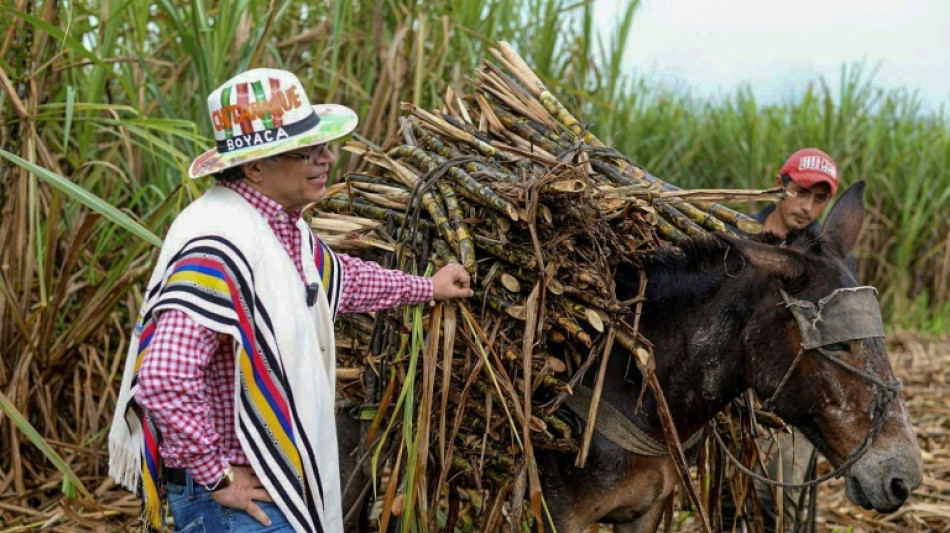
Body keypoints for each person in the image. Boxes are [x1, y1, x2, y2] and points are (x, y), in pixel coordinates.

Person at [108, 68, 474, 533]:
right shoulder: (219, 242)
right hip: (236, 506)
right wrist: (216, 475)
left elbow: (340, 280)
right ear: (256, 167)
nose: (326, 158)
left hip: (267, 490)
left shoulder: (280, 229)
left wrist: (429, 286)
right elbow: (163, 376)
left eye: (323, 146)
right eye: (306, 152)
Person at [724, 147, 841, 532]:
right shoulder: (740, 237)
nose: (807, 207)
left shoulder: (826, 258)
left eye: (819, 198)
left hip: (794, 397)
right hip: (733, 403)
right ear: (779, 185)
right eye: (800, 192)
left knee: (783, 504)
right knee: (729, 501)